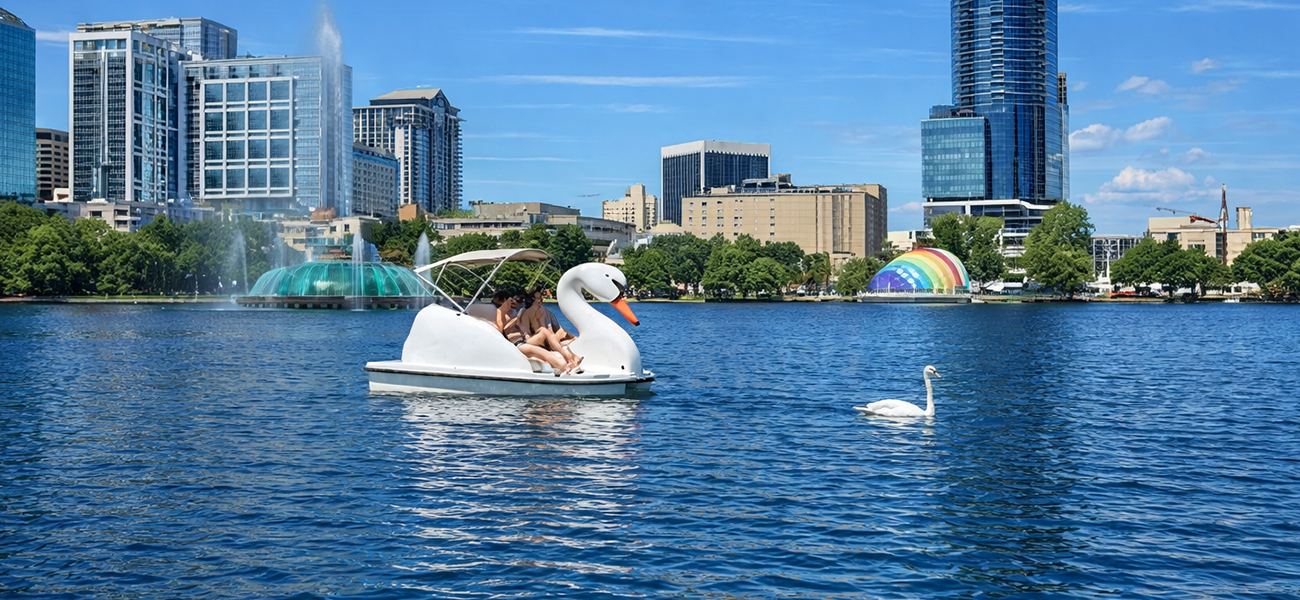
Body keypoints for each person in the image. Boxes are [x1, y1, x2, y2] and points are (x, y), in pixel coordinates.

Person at [492, 291, 567, 374]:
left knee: (544, 332)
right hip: (517, 344)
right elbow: (500, 335)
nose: (512, 303)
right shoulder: (499, 315)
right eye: (509, 301)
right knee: (542, 352)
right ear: (503, 302)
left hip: (522, 340)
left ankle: (567, 359)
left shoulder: (510, 313)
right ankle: (565, 367)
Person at [519, 287, 582, 373]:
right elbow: (527, 335)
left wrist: (564, 336)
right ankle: (568, 358)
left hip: (546, 339)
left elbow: (552, 330)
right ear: (532, 299)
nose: (540, 300)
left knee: (563, 332)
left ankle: (575, 354)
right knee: (543, 330)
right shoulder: (526, 312)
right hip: (531, 340)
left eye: (541, 298)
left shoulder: (545, 311)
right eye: (537, 298)